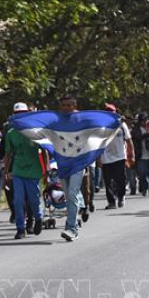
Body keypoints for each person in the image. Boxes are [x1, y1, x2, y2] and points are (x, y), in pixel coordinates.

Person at [4, 102, 45, 239]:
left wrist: (46, 169)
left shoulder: (35, 132)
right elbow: (8, 154)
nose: (19, 116)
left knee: (33, 200)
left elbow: (44, 150)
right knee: (18, 200)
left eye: (22, 113)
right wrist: (6, 172)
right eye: (16, 114)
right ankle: (20, 228)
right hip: (18, 171)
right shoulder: (10, 133)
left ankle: (38, 218)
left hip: (33, 170)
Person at [58, 95, 85, 242]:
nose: (66, 108)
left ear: (74, 106)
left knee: (73, 194)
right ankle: (74, 222)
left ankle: (71, 229)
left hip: (78, 163)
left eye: (69, 105)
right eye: (64, 105)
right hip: (63, 162)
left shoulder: (82, 120)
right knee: (68, 196)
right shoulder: (57, 122)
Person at [101, 103, 134, 209]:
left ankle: (121, 197)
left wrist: (131, 155)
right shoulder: (101, 127)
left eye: (112, 112)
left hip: (120, 156)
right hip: (106, 158)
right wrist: (98, 158)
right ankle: (111, 202)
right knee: (108, 182)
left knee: (121, 180)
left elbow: (129, 141)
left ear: (115, 113)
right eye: (108, 113)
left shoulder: (122, 125)